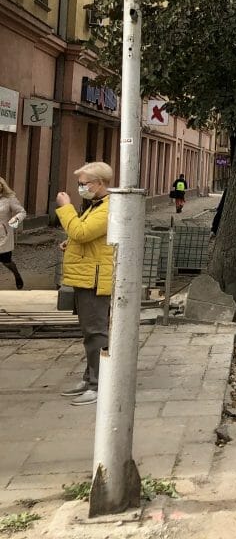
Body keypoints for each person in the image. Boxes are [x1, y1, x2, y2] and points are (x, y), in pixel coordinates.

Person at [55, 161, 114, 406]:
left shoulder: (107, 208)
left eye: (83, 183)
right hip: (87, 275)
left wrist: (66, 208)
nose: (80, 187)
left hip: (95, 279)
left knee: (95, 332)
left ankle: (99, 385)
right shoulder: (95, 205)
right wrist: (72, 244)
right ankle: (90, 377)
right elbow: (86, 238)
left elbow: (81, 232)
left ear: (99, 183)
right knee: (89, 332)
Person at [0, 177, 27, 290]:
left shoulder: (9, 199)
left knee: (6, 261)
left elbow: (22, 212)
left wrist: (13, 221)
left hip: (3, 235)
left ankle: (16, 274)